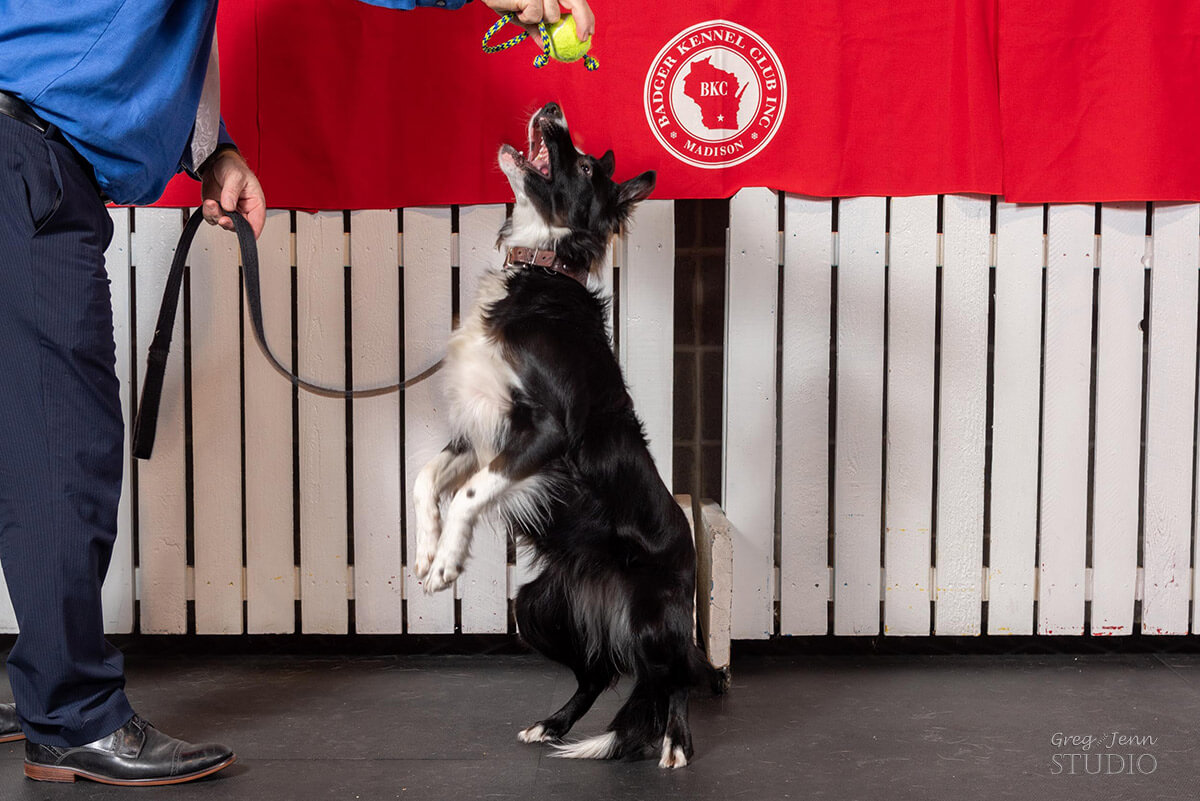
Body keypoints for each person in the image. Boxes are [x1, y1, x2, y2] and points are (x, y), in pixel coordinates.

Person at [0, 0, 592, 786]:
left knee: (22, 434)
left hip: (24, 144)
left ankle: (46, 686)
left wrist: (212, 153)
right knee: (60, 448)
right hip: (22, 155)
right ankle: (71, 717)